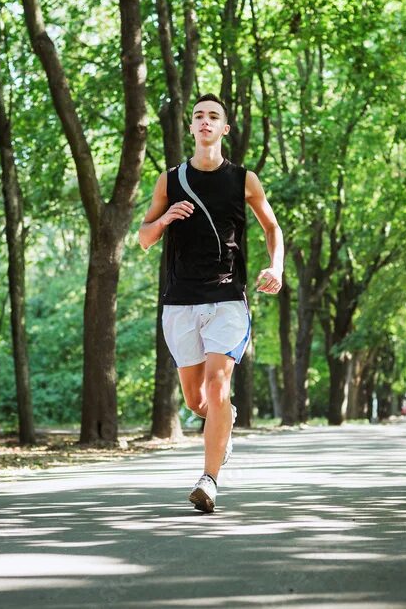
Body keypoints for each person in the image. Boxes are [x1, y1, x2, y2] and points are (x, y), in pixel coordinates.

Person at [138, 93, 284, 513]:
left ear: (224, 129)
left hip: (227, 300)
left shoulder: (243, 179)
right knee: (196, 401)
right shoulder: (170, 179)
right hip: (180, 301)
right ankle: (226, 419)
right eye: (198, 116)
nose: (205, 122)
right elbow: (144, 238)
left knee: (218, 384)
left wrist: (276, 268)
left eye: (213, 117)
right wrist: (164, 220)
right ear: (191, 128)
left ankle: (209, 480)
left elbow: (272, 228)